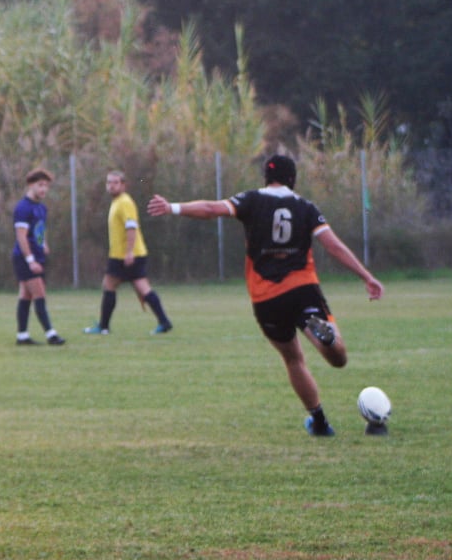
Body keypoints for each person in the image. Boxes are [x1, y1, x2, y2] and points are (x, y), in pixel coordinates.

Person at [148, 153, 384, 437]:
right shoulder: (305, 208)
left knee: (294, 360)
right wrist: (366, 276)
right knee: (338, 359)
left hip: (266, 298)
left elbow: (212, 209)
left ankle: (319, 422)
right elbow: (333, 247)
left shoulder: (250, 200)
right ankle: (325, 336)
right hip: (302, 288)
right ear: (292, 179)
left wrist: (172, 207)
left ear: (266, 177)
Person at [86, 169, 173, 336]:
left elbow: (131, 227)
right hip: (123, 254)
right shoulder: (117, 202)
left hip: (126, 255)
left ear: (123, 185)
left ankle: (104, 327)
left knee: (112, 285)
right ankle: (164, 321)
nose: (111, 186)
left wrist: (129, 252)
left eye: (115, 183)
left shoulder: (125, 202)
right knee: (138, 287)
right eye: (109, 182)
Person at [12, 168, 66, 346]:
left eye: (46, 186)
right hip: (25, 258)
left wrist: (44, 244)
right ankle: (51, 334)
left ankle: (22, 336)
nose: (43, 189)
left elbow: (40, 229)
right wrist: (30, 260)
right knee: (39, 293)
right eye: (40, 185)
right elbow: (21, 236)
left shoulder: (42, 208)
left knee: (26, 296)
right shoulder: (22, 207)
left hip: (37, 256)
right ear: (30, 185)